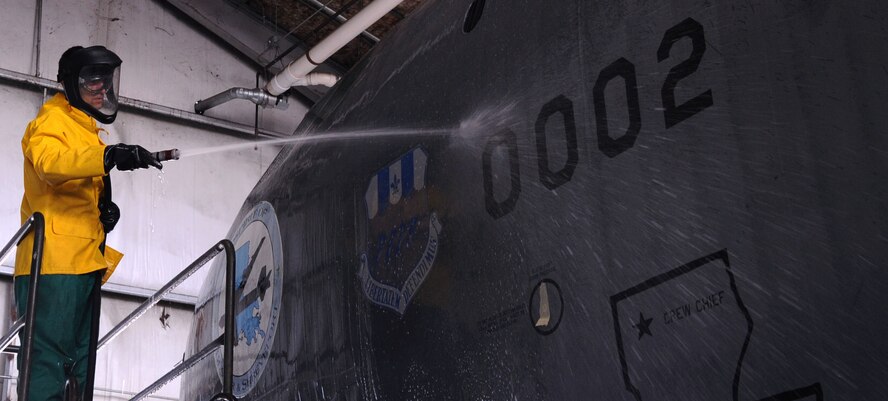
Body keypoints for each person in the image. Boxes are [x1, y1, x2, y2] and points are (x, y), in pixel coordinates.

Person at [13, 45, 162, 401]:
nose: (101, 88)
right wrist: (107, 156)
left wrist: (103, 210)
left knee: (80, 366)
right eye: (91, 80)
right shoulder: (53, 120)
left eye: (105, 80)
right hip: (52, 263)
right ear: (70, 83)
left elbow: (77, 182)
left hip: (83, 261)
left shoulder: (86, 128)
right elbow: (51, 164)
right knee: (48, 364)